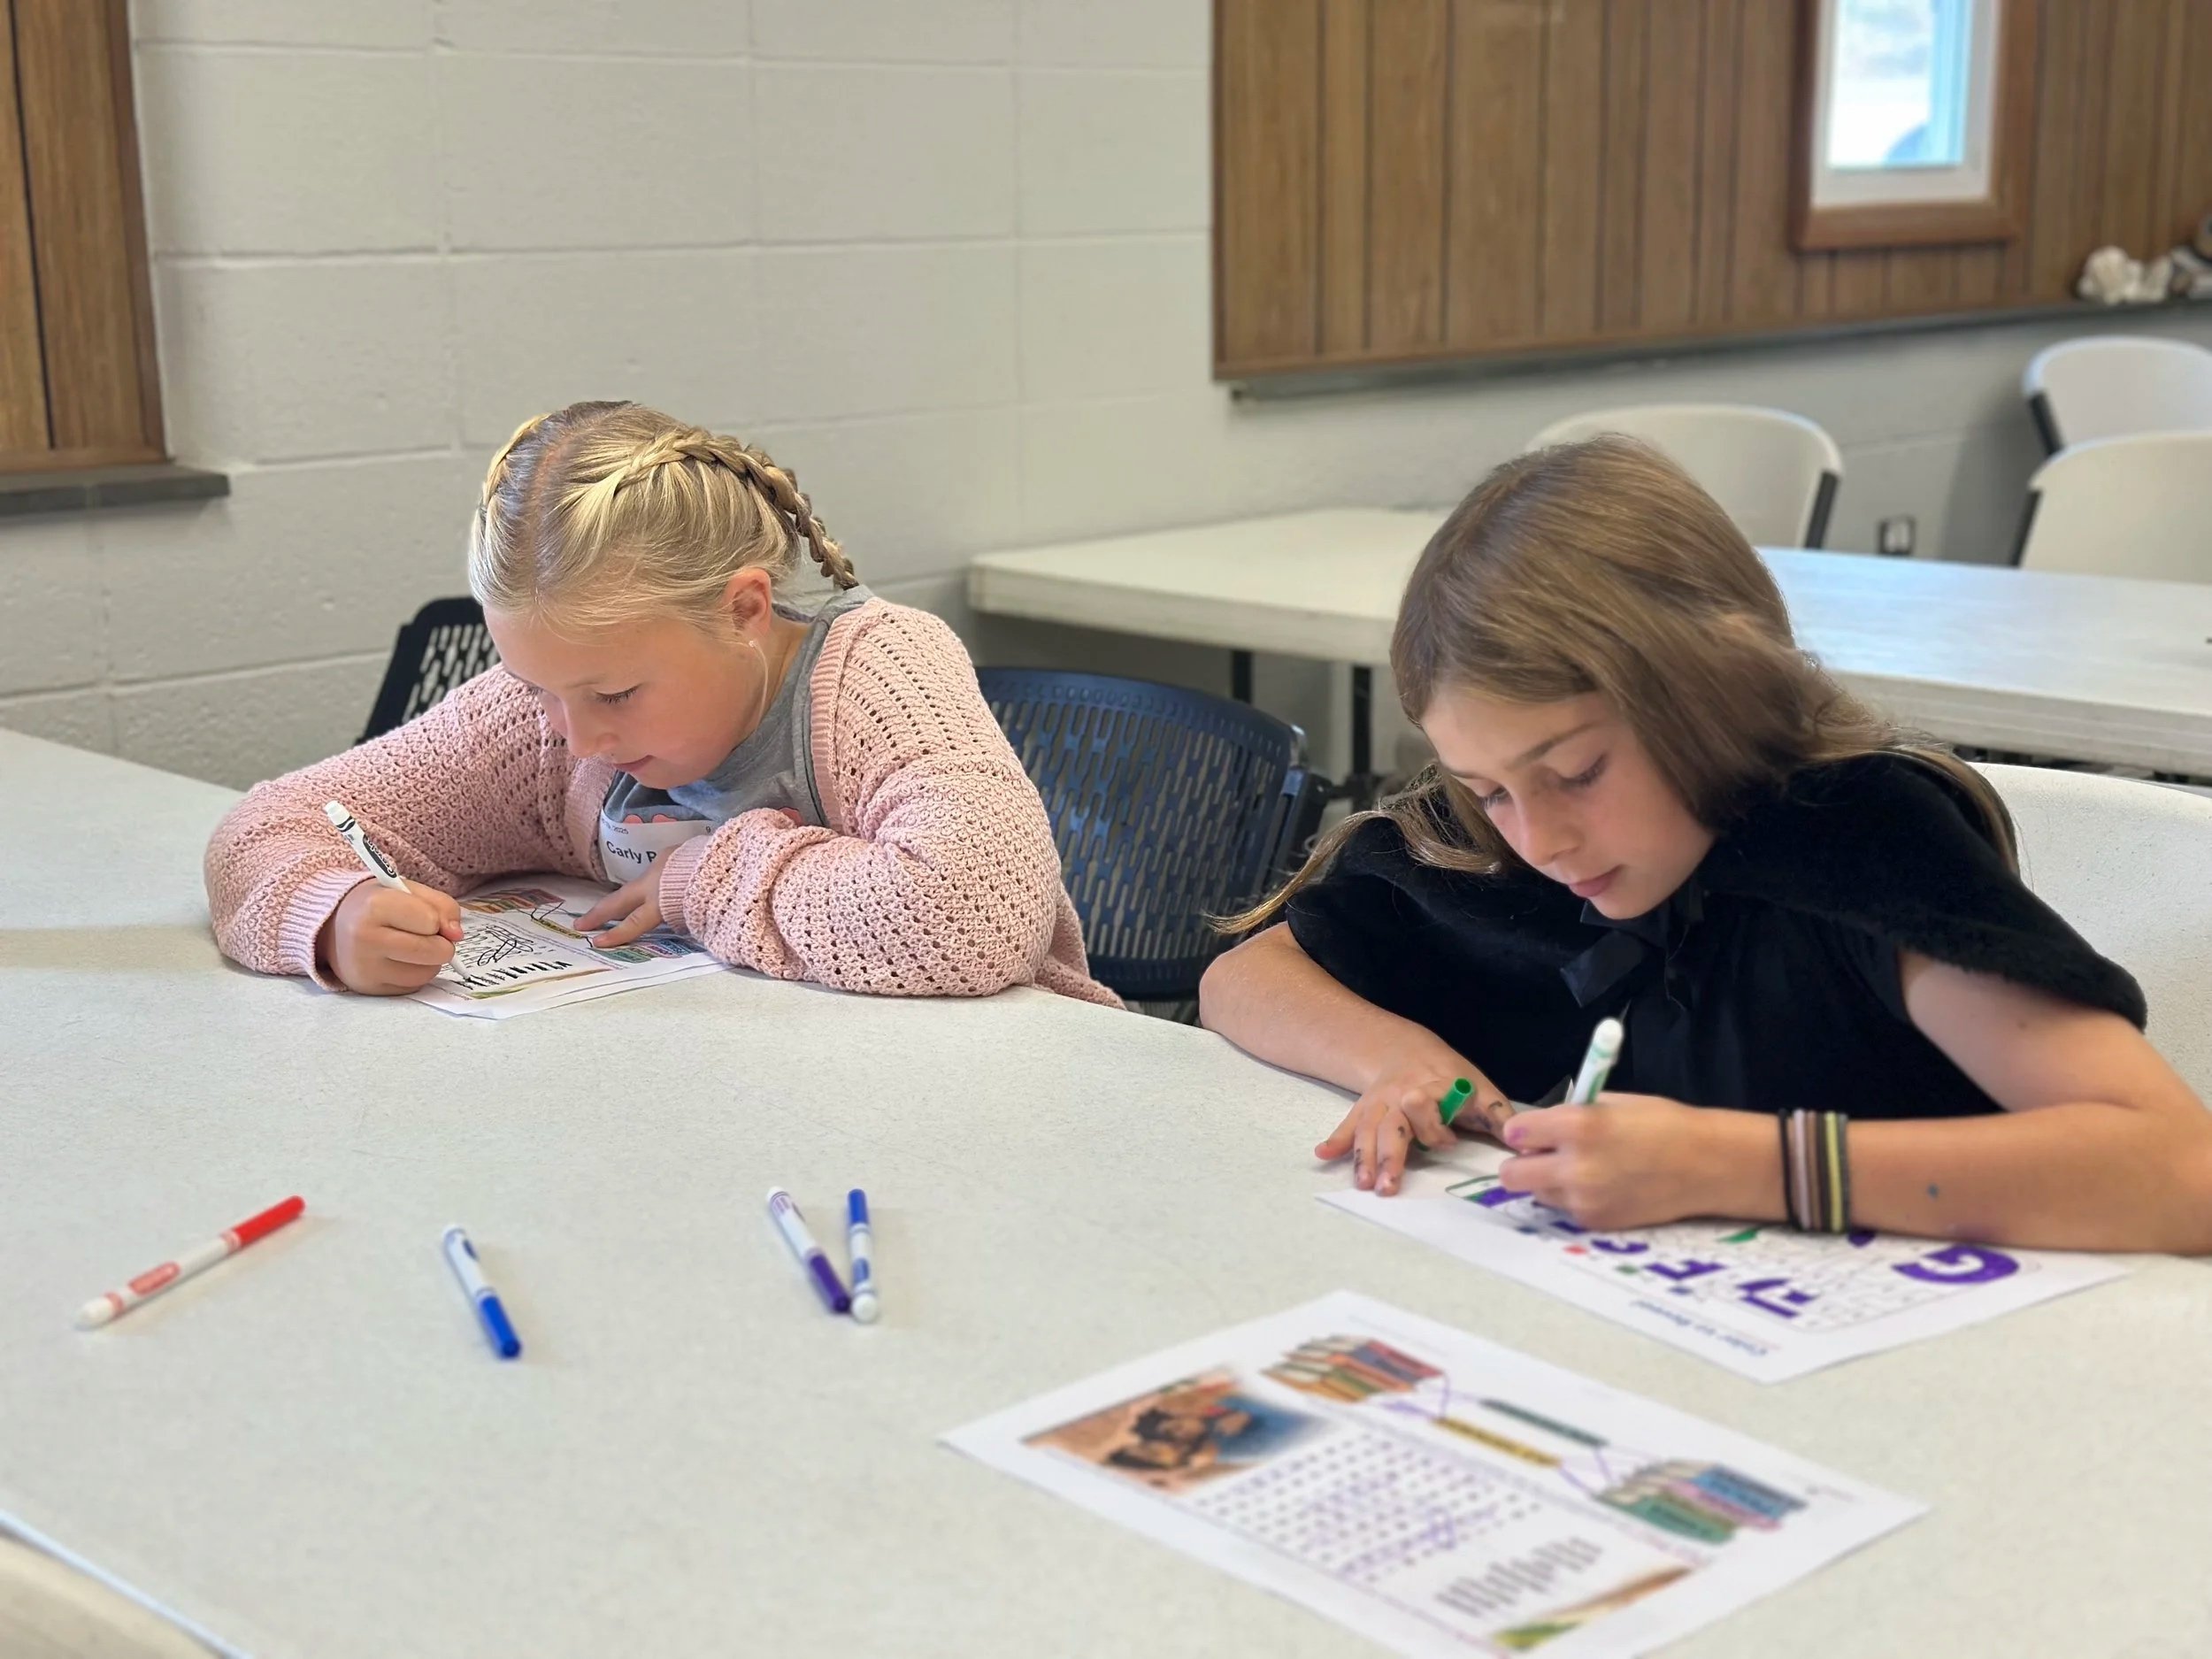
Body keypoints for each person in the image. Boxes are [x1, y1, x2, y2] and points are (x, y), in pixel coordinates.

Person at [1200, 438, 2211, 1253]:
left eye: (1578, 771)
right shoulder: (1503, 840)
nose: (1540, 837)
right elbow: (1245, 976)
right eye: (1488, 789)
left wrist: (1744, 1167)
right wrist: (1398, 1059)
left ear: (1713, 696)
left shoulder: (1861, 839)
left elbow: (2181, 1170)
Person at [205, 401, 1115, 1008]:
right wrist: (334, 915)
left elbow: (971, 917)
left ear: (744, 610)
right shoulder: (543, 728)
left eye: (616, 693)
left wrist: (700, 878)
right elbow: (266, 827)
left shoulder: (882, 672)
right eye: (538, 689)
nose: (578, 738)